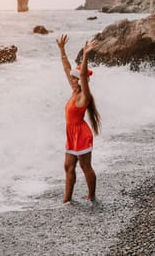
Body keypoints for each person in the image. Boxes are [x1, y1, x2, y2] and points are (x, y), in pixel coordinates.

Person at [56, 34, 101, 203]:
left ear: (81, 81)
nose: (72, 80)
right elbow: (67, 69)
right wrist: (62, 50)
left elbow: (82, 76)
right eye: (72, 78)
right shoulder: (74, 91)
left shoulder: (84, 96)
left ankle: (91, 196)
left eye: (75, 79)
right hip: (71, 133)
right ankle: (66, 200)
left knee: (85, 166)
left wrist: (86, 55)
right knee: (68, 166)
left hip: (81, 134)